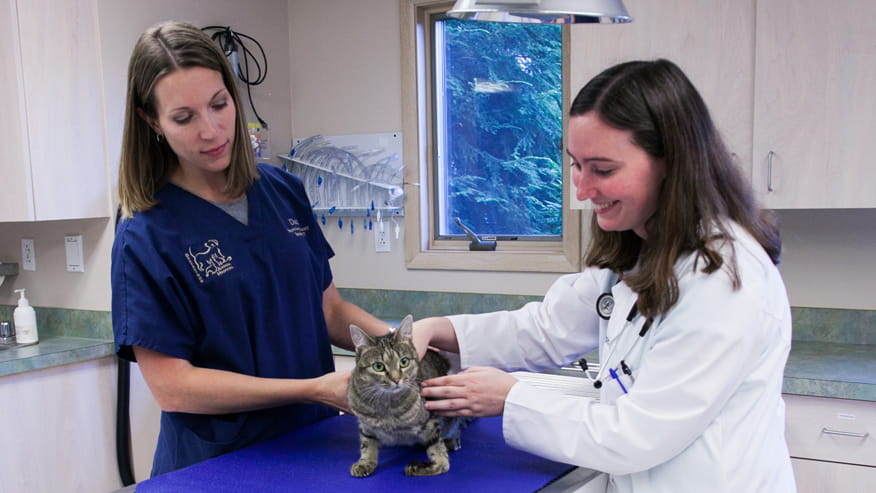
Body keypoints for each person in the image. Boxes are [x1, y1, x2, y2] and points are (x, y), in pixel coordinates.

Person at [414, 59, 796, 492]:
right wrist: (438, 329)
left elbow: (637, 435)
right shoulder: (638, 250)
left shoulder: (724, 280)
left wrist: (511, 398)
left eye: (603, 169)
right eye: (575, 164)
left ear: (671, 160)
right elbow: (547, 328)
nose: (581, 189)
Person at [111, 20, 389, 476]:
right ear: (151, 121)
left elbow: (329, 312)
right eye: (184, 118)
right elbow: (174, 387)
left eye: (219, 105)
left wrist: (407, 349)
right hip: (219, 466)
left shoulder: (283, 191)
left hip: (313, 446)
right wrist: (310, 389)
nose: (212, 130)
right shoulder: (145, 233)